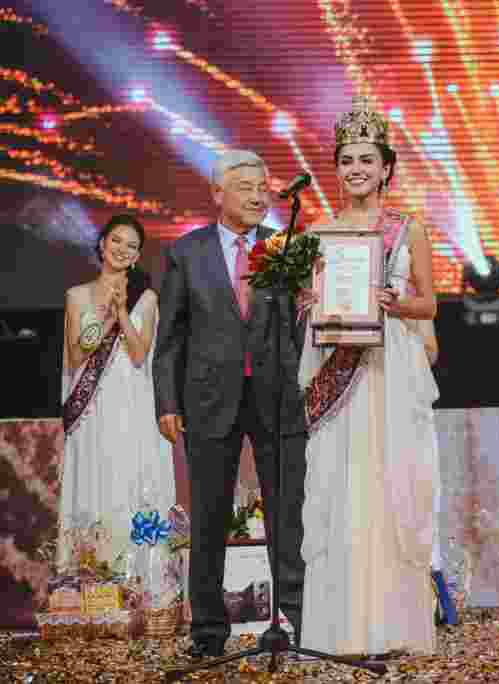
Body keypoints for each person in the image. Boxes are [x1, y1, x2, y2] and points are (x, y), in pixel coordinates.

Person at [153, 150, 308, 659]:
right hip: (207, 399)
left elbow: (301, 325)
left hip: (276, 396)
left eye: (263, 187)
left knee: (287, 515)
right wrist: (167, 402)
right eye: (245, 187)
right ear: (218, 194)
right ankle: (207, 631)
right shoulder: (187, 252)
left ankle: (291, 620)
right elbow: (171, 337)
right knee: (209, 517)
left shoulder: (284, 247)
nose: (258, 196)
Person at [299, 96, 439, 657]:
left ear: (386, 168)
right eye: (346, 160)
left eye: (366, 159)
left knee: (388, 481)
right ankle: (340, 629)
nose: (355, 169)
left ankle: (394, 627)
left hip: (389, 370)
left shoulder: (408, 230)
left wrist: (393, 302)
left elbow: (429, 303)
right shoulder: (319, 232)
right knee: (340, 481)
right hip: (338, 369)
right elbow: (312, 305)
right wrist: (309, 303)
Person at [59, 214, 174, 567]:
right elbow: (75, 356)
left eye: (132, 246)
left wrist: (122, 311)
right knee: (96, 479)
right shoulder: (77, 295)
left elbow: (139, 355)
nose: (122, 249)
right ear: (102, 243)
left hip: (132, 404)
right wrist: (105, 316)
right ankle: (92, 574)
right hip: (93, 407)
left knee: (129, 479)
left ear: (137, 256)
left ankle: (138, 576)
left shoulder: (146, 298)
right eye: (116, 240)